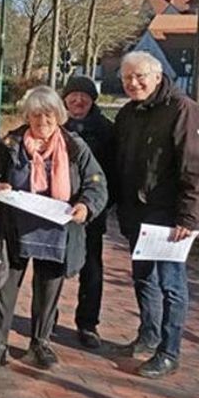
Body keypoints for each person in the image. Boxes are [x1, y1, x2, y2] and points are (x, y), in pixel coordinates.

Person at [0, 86, 108, 369]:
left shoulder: (75, 147)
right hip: (14, 229)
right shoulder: (11, 144)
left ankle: (40, 344)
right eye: (36, 118)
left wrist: (85, 206)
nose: (42, 124)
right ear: (27, 117)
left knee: (48, 292)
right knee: (3, 287)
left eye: (48, 118)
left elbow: (96, 184)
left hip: (57, 233)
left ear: (59, 117)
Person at [113, 52, 199, 378]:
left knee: (172, 285)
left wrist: (189, 217)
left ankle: (169, 352)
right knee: (143, 278)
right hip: (136, 214)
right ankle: (148, 334)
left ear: (157, 76)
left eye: (140, 76)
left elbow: (197, 168)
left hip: (170, 219)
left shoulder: (183, 110)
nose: (133, 83)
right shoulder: (128, 114)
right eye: (127, 78)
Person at [60, 76, 115, 348]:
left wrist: (101, 204)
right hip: (57, 210)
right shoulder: (55, 124)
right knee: (52, 266)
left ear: (93, 99)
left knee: (91, 267)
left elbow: (115, 172)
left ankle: (88, 323)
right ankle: (46, 319)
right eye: (73, 95)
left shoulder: (107, 130)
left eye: (84, 95)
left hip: (91, 211)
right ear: (64, 99)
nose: (78, 100)